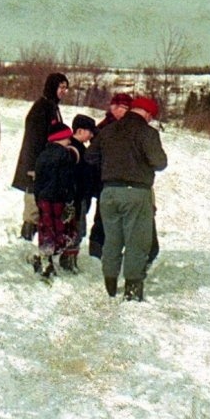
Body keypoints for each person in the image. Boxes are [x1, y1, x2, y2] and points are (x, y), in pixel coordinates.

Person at [86, 96, 167, 301]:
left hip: (109, 192)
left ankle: (110, 281)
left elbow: (90, 156)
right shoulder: (148, 133)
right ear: (148, 113)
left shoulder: (108, 130)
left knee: (112, 238)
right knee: (136, 241)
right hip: (136, 193)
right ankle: (132, 287)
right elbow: (159, 162)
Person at [12, 73, 69, 241]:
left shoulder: (52, 107)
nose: (64, 92)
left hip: (47, 164)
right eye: (61, 87)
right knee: (33, 204)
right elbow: (34, 140)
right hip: (36, 165)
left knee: (42, 202)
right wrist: (33, 167)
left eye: (66, 88)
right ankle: (27, 237)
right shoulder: (41, 108)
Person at [31, 122, 79, 279]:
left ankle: (45, 257)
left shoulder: (42, 154)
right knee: (61, 230)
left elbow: (37, 180)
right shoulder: (65, 155)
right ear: (60, 138)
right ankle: (50, 259)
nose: (70, 141)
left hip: (44, 198)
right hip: (59, 198)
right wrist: (70, 200)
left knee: (46, 229)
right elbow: (67, 180)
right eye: (67, 138)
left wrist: (38, 197)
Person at [88, 92, 133, 258]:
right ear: (113, 107)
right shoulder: (104, 127)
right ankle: (97, 247)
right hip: (103, 178)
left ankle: (109, 247)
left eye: (128, 108)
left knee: (116, 216)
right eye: (122, 108)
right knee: (103, 214)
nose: (124, 112)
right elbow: (94, 154)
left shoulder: (126, 128)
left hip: (118, 178)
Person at [58, 113, 98, 272]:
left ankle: (69, 258)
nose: (91, 135)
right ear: (80, 130)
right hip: (75, 197)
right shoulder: (74, 150)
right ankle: (68, 260)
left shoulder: (76, 148)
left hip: (77, 196)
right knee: (75, 229)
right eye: (89, 131)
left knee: (75, 228)